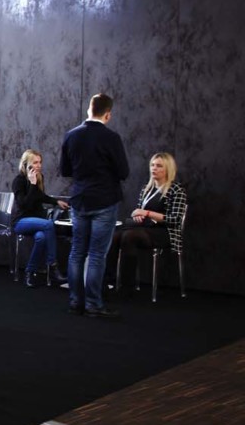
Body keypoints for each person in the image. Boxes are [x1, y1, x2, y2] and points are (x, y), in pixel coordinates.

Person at [60, 93, 129, 318]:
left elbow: (65, 170)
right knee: (97, 254)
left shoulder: (71, 135)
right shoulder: (111, 138)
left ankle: (75, 302)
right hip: (104, 200)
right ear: (108, 114)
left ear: (89, 109)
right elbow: (123, 172)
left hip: (79, 199)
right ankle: (93, 304)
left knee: (77, 252)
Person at [108, 152, 188, 291]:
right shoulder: (147, 188)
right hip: (143, 228)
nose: (154, 168)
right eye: (152, 165)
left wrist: (147, 213)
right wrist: (137, 215)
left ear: (168, 169)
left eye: (159, 166)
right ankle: (107, 282)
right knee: (113, 237)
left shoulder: (176, 190)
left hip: (165, 232)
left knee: (129, 236)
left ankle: (128, 287)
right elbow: (139, 211)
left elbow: (175, 219)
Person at [11, 149, 70, 288]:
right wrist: (32, 184)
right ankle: (53, 266)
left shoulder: (39, 177)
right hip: (20, 221)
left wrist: (56, 201)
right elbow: (24, 204)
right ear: (26, 164)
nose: (39, 165)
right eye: (35, 162)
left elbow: (40, 197)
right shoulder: (19, 181)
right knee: (48, 225)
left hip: (36, 221)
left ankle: (29, 273)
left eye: (40, 162)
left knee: (41, 238)